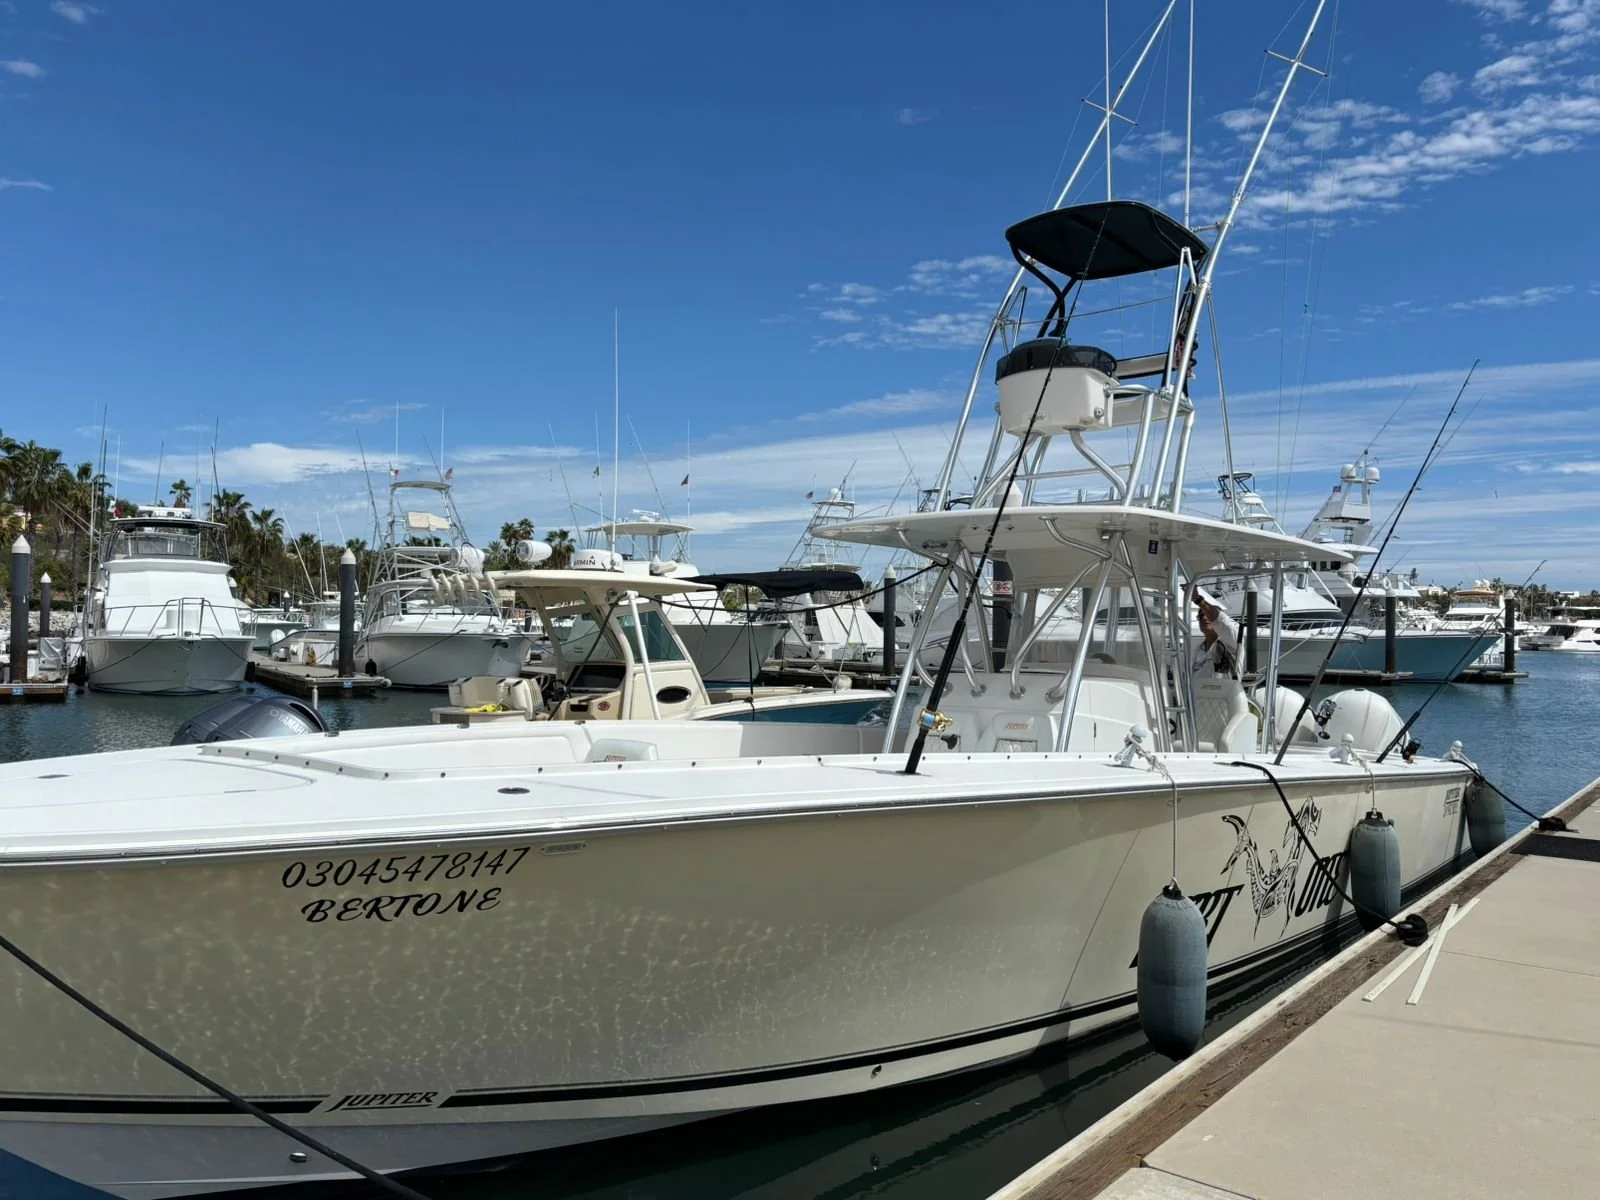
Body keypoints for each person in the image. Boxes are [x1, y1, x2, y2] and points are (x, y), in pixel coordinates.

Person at [1191, 585, 1240, 679]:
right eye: (1201, 616)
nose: (1204, 618)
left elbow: (1220, 620)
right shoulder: (1197, 650)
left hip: (1224, 693)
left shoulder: (1231, 644)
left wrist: (1198, 600)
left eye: (1207, 615)